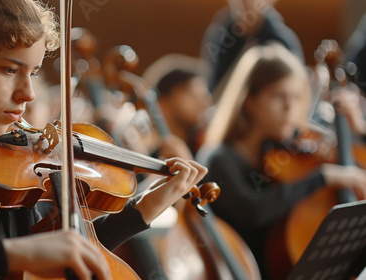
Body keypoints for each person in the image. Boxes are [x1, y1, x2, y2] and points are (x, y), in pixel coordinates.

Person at [0, 0, 207, 279]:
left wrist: (143, 209)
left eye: (33, 73)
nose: (27, 93)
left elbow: (56, 258)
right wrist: (13, 254)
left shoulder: (6, 174)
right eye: (10, 70)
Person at [199, 43, 366, 279]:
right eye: (279, 96)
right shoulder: (218, 159)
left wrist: (356, 129)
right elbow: (254, 210)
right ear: (250, 101)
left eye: (297, 98)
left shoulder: (284, 154)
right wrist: (324, 176)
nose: (291, 108)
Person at [200, 0, 304, 93]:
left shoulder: (283, 42)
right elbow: (211, 84)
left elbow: (294, 88)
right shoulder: (220, 35)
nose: (245, 3)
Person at [155, 69, 212, 157]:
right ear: (162, 102)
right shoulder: (151, 149)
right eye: (192, 94)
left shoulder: (205, 147)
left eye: (203, 96)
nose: (203, 103)